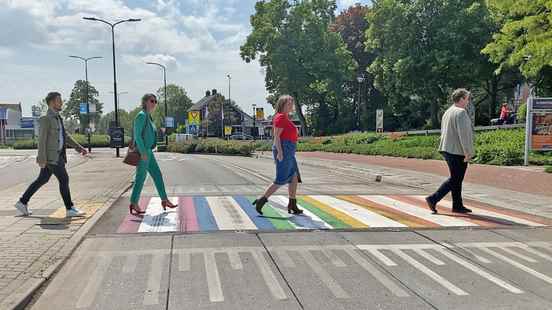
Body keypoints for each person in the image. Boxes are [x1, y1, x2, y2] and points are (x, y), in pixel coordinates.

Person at [14, 92, 88, 217]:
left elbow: (65, 136)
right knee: (64, 179)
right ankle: (69, 208)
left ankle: (22, 202)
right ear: (52, 102)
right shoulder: (45, 119)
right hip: (52, 157)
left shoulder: (58, 118)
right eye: (59, 100)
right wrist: (41, 158)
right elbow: (41, 140)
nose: (61, 103)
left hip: (57, 156)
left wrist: (78, 147)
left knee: (42, 179)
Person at [426, 88, 474, 214]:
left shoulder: (447, 112)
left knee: (456, 178)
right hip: (457, 151)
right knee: (456, 179)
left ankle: (457, 205)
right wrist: (467, 152)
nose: (468, 101)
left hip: (447, 149)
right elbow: (463, 135)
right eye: (467, 99)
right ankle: (433, 198)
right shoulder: (461, 112)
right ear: (462, 98)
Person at [253, 95, 303, 215]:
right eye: (289, 104)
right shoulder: (280, 117)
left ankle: (292, 204)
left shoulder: (285, 118)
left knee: (294, 177)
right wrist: (280, 152)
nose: (291, 106)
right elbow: (276, 137)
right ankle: (261, 200)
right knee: (281, 179)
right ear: (282, 105)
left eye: (292, 104)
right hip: (284, 149)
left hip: (289, 150)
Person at [128, 94, 177, 215]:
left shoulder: (148, 117)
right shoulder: (141, 116)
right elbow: (137, 135)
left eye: (155, 101)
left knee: (157, 175)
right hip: (143, 152)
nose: (154, 103)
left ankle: (164, 200)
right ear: (145, 102)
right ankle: (134, 202)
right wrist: (143, 152)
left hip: (149, 152)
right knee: (141, 177)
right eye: (152, 101)